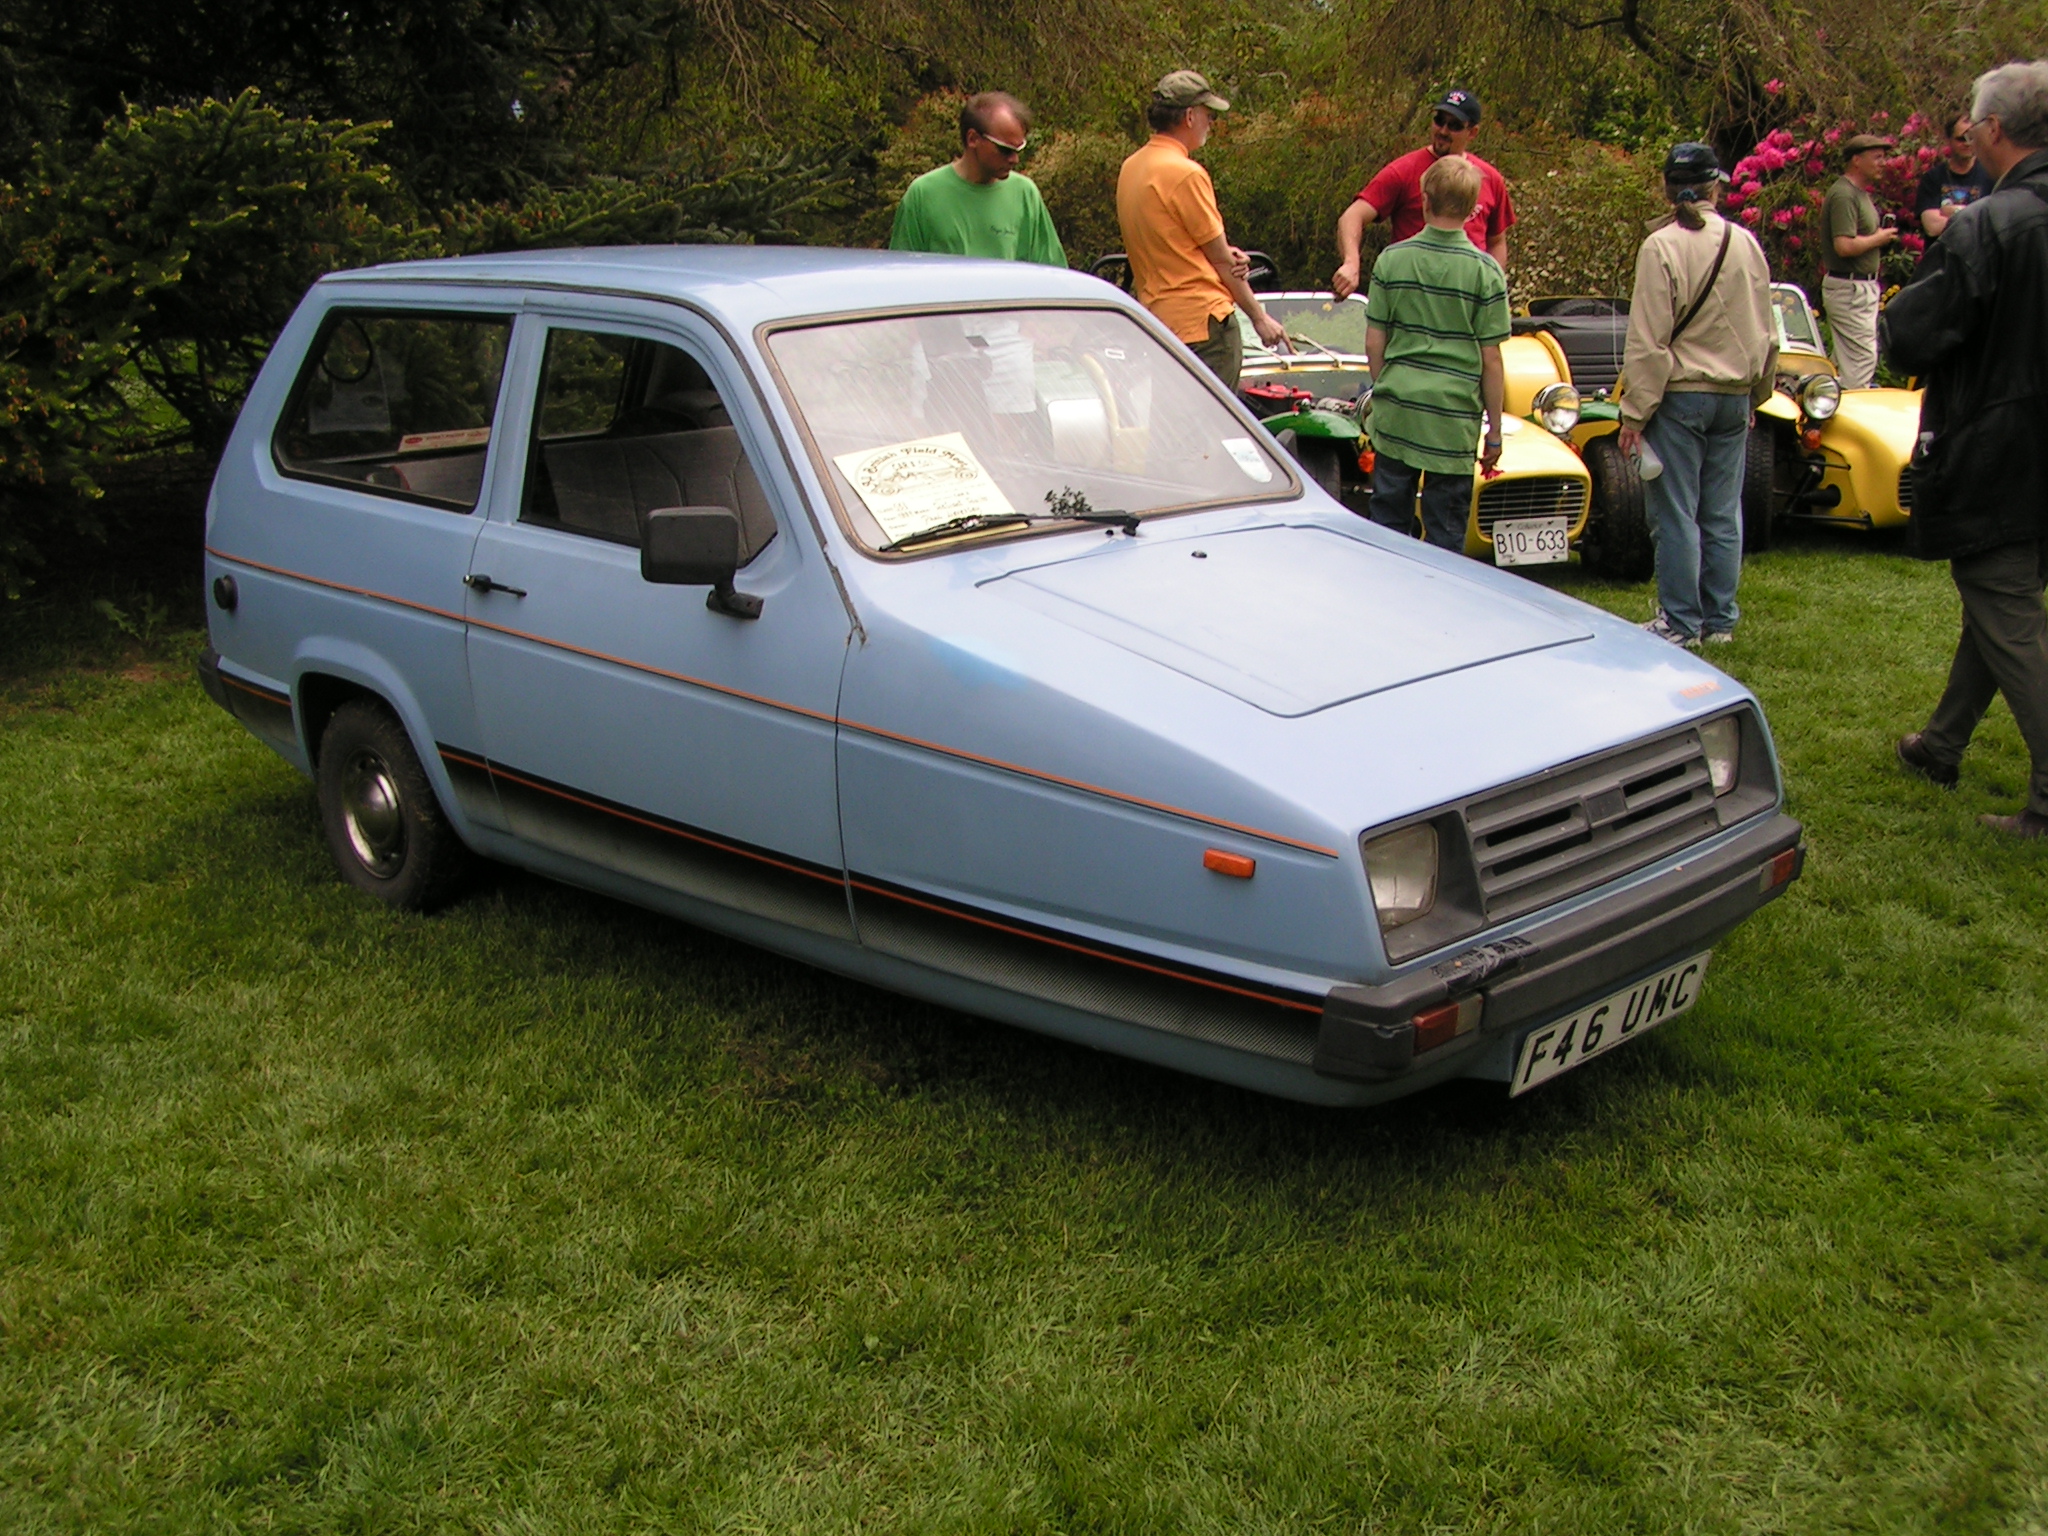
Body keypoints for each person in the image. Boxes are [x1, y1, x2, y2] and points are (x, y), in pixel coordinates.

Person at [1883, 59, 2048, 839]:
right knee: (1999, 596)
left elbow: (1914, 331)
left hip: (2002, 444)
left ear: (1990, 130)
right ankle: (1940, 746)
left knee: (2005, 605)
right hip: (2027, 443)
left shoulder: (1988, 224)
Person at [1617, 142, 1777, 649]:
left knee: (1676, 511)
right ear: (1716, 186)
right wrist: (1758, 392)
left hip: (1682, 394)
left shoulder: (1661, 246)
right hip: (1734, 393)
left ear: (1667, 188)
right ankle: (1720, 619)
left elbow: (1649, 339)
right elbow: (1765, 329)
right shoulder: (1745, 243)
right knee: (1723, 511)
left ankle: (1681, 620)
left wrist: (1634, 411)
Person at [1360, 155, 1509, 551]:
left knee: (1388, 524)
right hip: (1454, 418)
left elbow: (1375, 342)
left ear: (1424, 200)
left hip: (1399, 411)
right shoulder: (1485, 271)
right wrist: (1493, 432)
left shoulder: (1392, 260)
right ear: (1473, 207)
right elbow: (1491, 360)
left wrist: (1387, 385)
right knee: (1445, 532)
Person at [1116, 71, 1288, 390]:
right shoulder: (1186, 173)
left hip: (1160, 324)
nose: (1211, 122)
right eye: (1208, 115)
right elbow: (1223, 262)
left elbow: (1170, 242)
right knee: (1210, 432)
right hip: (1204, 327)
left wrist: (1221, 252)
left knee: (1172, 430)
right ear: (1189, 116)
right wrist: (1259, 317)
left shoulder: (1132, 167)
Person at [1332, 89, 1516, 298]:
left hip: (1466, 296)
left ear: (1472, 132)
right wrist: (1351, 263)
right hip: (1412, 293)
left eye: (1454, 125)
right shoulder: (1403, 171)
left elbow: (1497, 241)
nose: (1443, 131)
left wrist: (1494, 287)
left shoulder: (1489, 178)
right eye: (1439, 121)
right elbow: (1352, 216)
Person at [889, 91, 1066, 266]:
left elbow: (1053, 274)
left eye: (1019, 150)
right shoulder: (923, 194)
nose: (1014, 159)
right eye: (1005, 150)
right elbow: (901, 276)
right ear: (973, 138)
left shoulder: (1025, 194)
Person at [1821, 132, 1901, 389]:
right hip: (1849, 289)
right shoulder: (1844, 195)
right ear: (1856, 160)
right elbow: (1843, 245)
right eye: (1876, 157)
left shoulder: (1860, 194)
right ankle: (1853, 418)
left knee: (1847, 363)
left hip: (1860, 288)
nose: (1882, 163)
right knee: (1862, 360)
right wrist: (1880, 238)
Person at [1914, 110, 1996, 256]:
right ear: (1948, 140)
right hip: (1940, 265)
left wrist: (1952, 212)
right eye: (1961, 139)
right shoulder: (1933, 178)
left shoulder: (1990, 176)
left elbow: (1992, 224)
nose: (1967, 143)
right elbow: (1932, 227)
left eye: (1971, 138)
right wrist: (1975, 215)